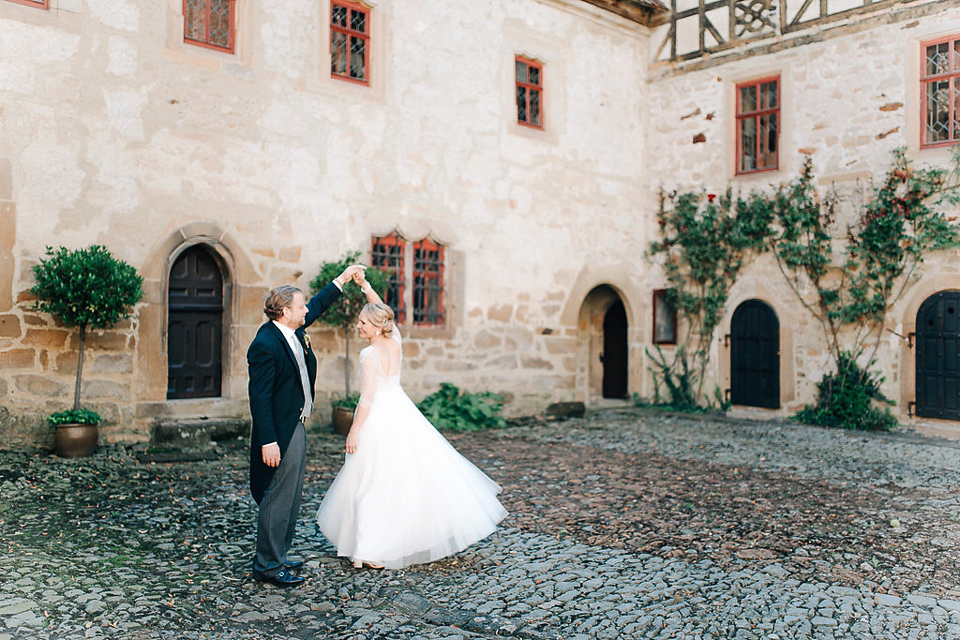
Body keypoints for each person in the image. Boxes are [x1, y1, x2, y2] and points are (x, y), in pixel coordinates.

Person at [316, 270, 508, 569]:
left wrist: (354, 431)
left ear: (377, 327)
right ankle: (384, 542)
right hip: (401, 410)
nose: (359, 325)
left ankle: (369, 550)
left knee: (372, 480)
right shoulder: (396, 340)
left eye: (363, 323)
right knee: (406, 475)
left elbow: (366, 399)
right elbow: (381, 310)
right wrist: (365, 287)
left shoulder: (369, 354)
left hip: (380, 414)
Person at [247, 264, 365, 587]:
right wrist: (268, 441)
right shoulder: (265, 344)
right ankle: (268, 565)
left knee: (292, 494)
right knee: (277, 494)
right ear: (285, 311)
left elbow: (321, 304)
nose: (306, 310)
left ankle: (279, 555)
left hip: (295, 422)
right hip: (280, 432)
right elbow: (259, 399)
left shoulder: (292, 330)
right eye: (301, 306)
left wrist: (341, 280)